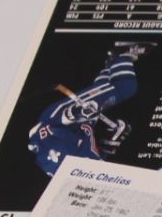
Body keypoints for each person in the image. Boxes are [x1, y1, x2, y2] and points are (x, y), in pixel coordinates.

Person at [28, 42, 152, 174]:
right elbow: (98, 151)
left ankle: (122, 53)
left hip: (61, 116)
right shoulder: (92, 170)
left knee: (126, 87)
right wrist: (114, 137)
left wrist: (73, 113)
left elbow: (43, 131)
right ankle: (112, 61)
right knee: (107, 90)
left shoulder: (56, 163)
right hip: (83, 126)